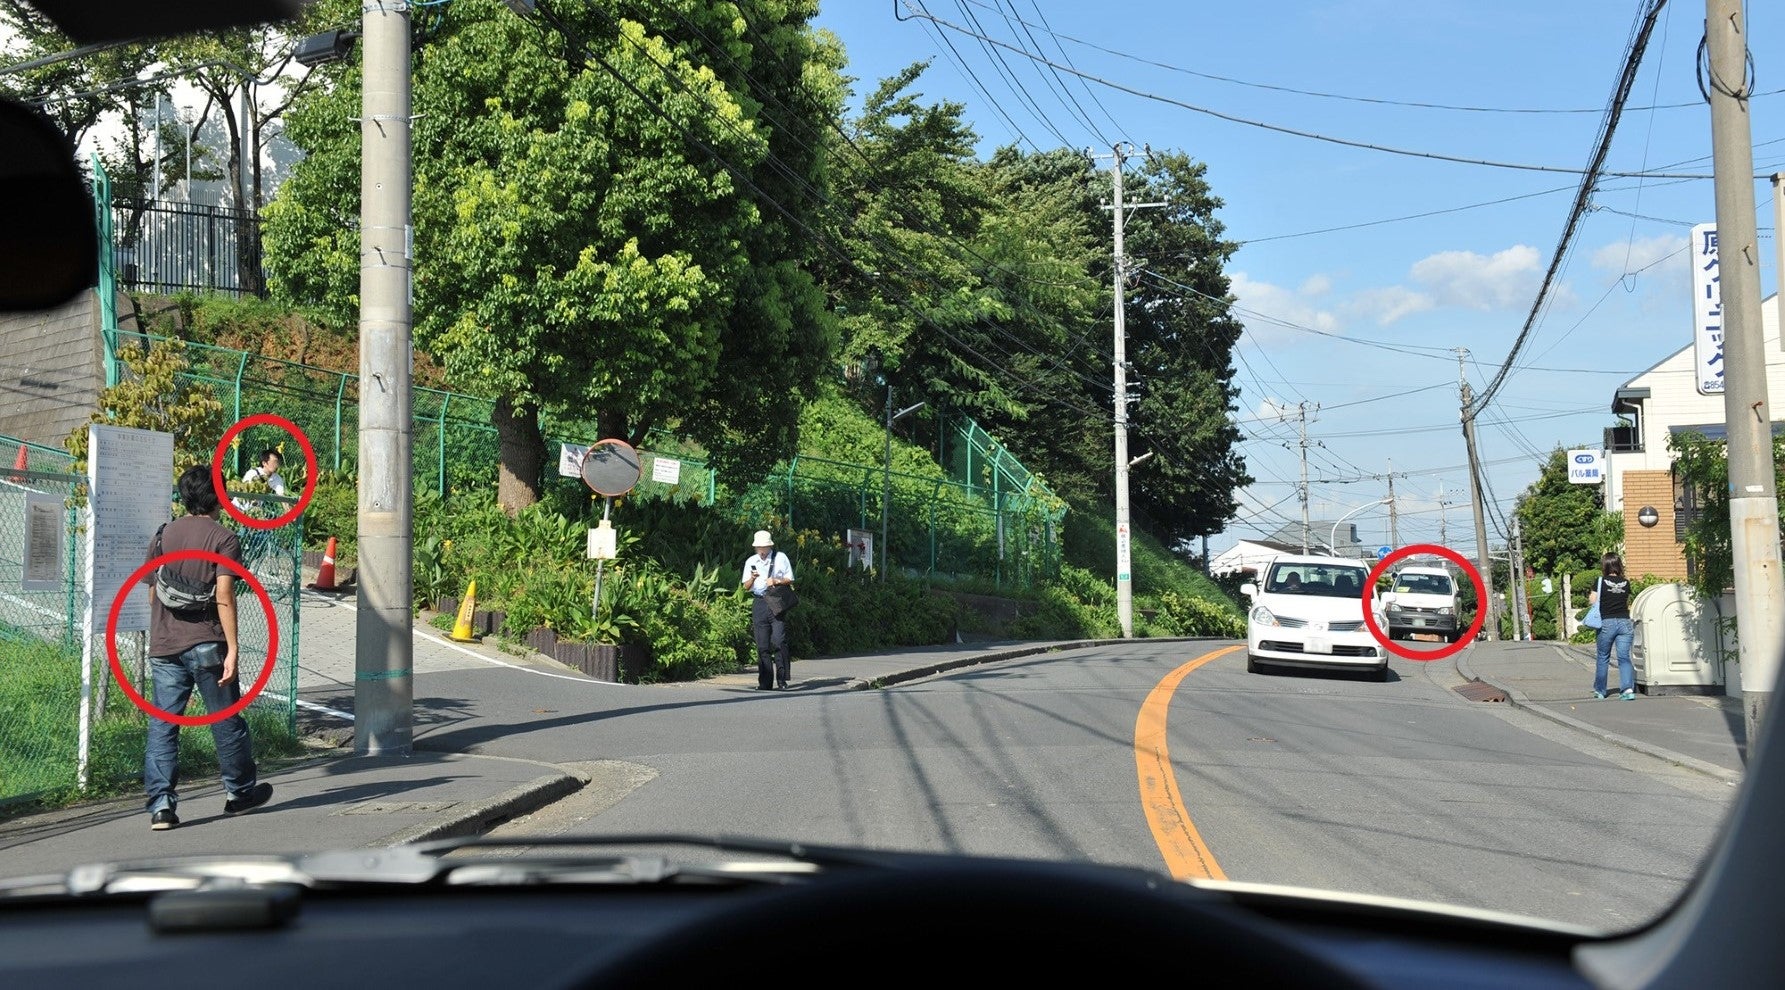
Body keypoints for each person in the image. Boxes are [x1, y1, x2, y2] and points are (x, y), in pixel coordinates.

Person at [139, 465, 274, 830]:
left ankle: (162, 808)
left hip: (164, 644)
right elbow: (225, 595)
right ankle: (239, 794)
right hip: (206, 644)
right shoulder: (223, 538)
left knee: (164, 725)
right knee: (225, 720)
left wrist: (163, 632)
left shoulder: (163, 536)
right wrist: (233, 648)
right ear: (218, 497)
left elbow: (154, 592)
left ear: (185, 496)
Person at [740, 529, 796, 691]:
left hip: (776, 602)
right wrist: (753, 578)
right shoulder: (751, 561)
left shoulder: (780, 557)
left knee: (779, 641)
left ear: (769, 546)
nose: (761, 551)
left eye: (763, 547)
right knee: (762, 645)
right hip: (759, 602)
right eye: (758, 548)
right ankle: (765, 682)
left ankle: (782, 679)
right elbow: (746, 587)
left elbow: (790, 578)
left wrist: (776, 580)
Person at [1589, 551, 1636, 701]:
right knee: (1624, 657)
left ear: (1605, 565)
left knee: (1603, 657)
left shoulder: (1600, 581)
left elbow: (1592, 601)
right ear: (1618, 565)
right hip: (1624, 622)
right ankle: (1628, 689)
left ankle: (1601, 691)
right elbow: (1626, 601)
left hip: (1606, 623)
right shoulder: (1625, 583)